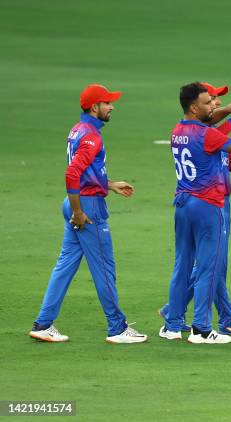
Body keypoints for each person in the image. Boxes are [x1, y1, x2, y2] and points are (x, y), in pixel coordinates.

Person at [29, 83, 148, 344]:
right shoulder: (92, 136)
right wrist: (79, 211)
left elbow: (83, 172)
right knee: (104, 267)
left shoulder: (78, 129)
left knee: (65, 265)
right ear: (94, 107)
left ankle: (43, 324)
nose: (112, 106)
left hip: (79, 201)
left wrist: (109, 184)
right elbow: (72, 174)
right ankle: (117, 328)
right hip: (87, 207)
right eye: (107, 103)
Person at [159, 82, 231, 338]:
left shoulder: (178, 130)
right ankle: (201, 329)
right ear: (194, 106)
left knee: (183, 266)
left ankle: (172, 324)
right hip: (208, 205)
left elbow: (224, 152)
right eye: (208, 102)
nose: (214, 106)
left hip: (183, 203)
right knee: (209, 269)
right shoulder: (206, 135)